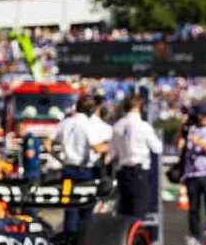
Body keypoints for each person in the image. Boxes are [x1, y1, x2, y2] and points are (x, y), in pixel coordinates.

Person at [54, 94, 106, 234]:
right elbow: (97, 147)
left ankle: (68, 238)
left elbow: (47, 143)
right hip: (84, 172)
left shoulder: (65, 123)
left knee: (69, 206)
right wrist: (112, 147)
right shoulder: (88, 125)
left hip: (67, 170)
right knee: (85, 207)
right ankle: (81, 240)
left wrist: (59, 158)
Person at [109, 94, 162, 219]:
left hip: (123, 171)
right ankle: (137, 237)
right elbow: (157, 148)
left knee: (124, 211)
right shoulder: (143, 126)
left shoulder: (117, 126)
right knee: (139, 210)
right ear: (140, 108)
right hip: (139, 172)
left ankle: (124, 237)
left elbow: (112, 152)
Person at [178, 109, 206, 245]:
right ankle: (195, 236)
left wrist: (200, 142)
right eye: (200, 115)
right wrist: (182, 128)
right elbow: (180, 145)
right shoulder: (190, 129)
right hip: (192, 175)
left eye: (205, 115)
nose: (202, 118)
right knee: (193, 208)